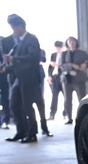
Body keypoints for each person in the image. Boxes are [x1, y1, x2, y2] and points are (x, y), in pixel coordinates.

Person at [1, 14, 41, 143]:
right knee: (14, 105)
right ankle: (21, 131)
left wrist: (14, 58)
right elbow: (18, 64)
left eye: (13, 28)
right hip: (18, 79)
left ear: (20, 27)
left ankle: (32, 133)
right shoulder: (18, 43)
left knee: (27, 106)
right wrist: (6, 68)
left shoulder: (31, 39)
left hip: (29, 79)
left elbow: (33, 57)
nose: (13, 31)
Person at [59, 36, 88, 125]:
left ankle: (82, 117)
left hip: (79, 79)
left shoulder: (82, 53)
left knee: (81, 99)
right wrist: (72, 66)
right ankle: (69, 118)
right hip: (67, 80)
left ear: (76, 42)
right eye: (69, 41)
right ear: (67, 43)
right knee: (67, 99)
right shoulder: (64, 54)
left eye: (73, 40)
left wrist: (85, 65)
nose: (71, 42)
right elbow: (62, 65)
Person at [48, 40, 65, 120]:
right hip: (55, 77)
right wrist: (49, 76)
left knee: (66, 96)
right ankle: (52, 114)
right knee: (54, 96)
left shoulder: (65, 55)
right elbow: (50, 66)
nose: (58, 49)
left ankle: (66, 113)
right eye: (57, 47)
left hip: (63, 77)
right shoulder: (53, 55)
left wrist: (58, 64)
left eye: (59, 47)